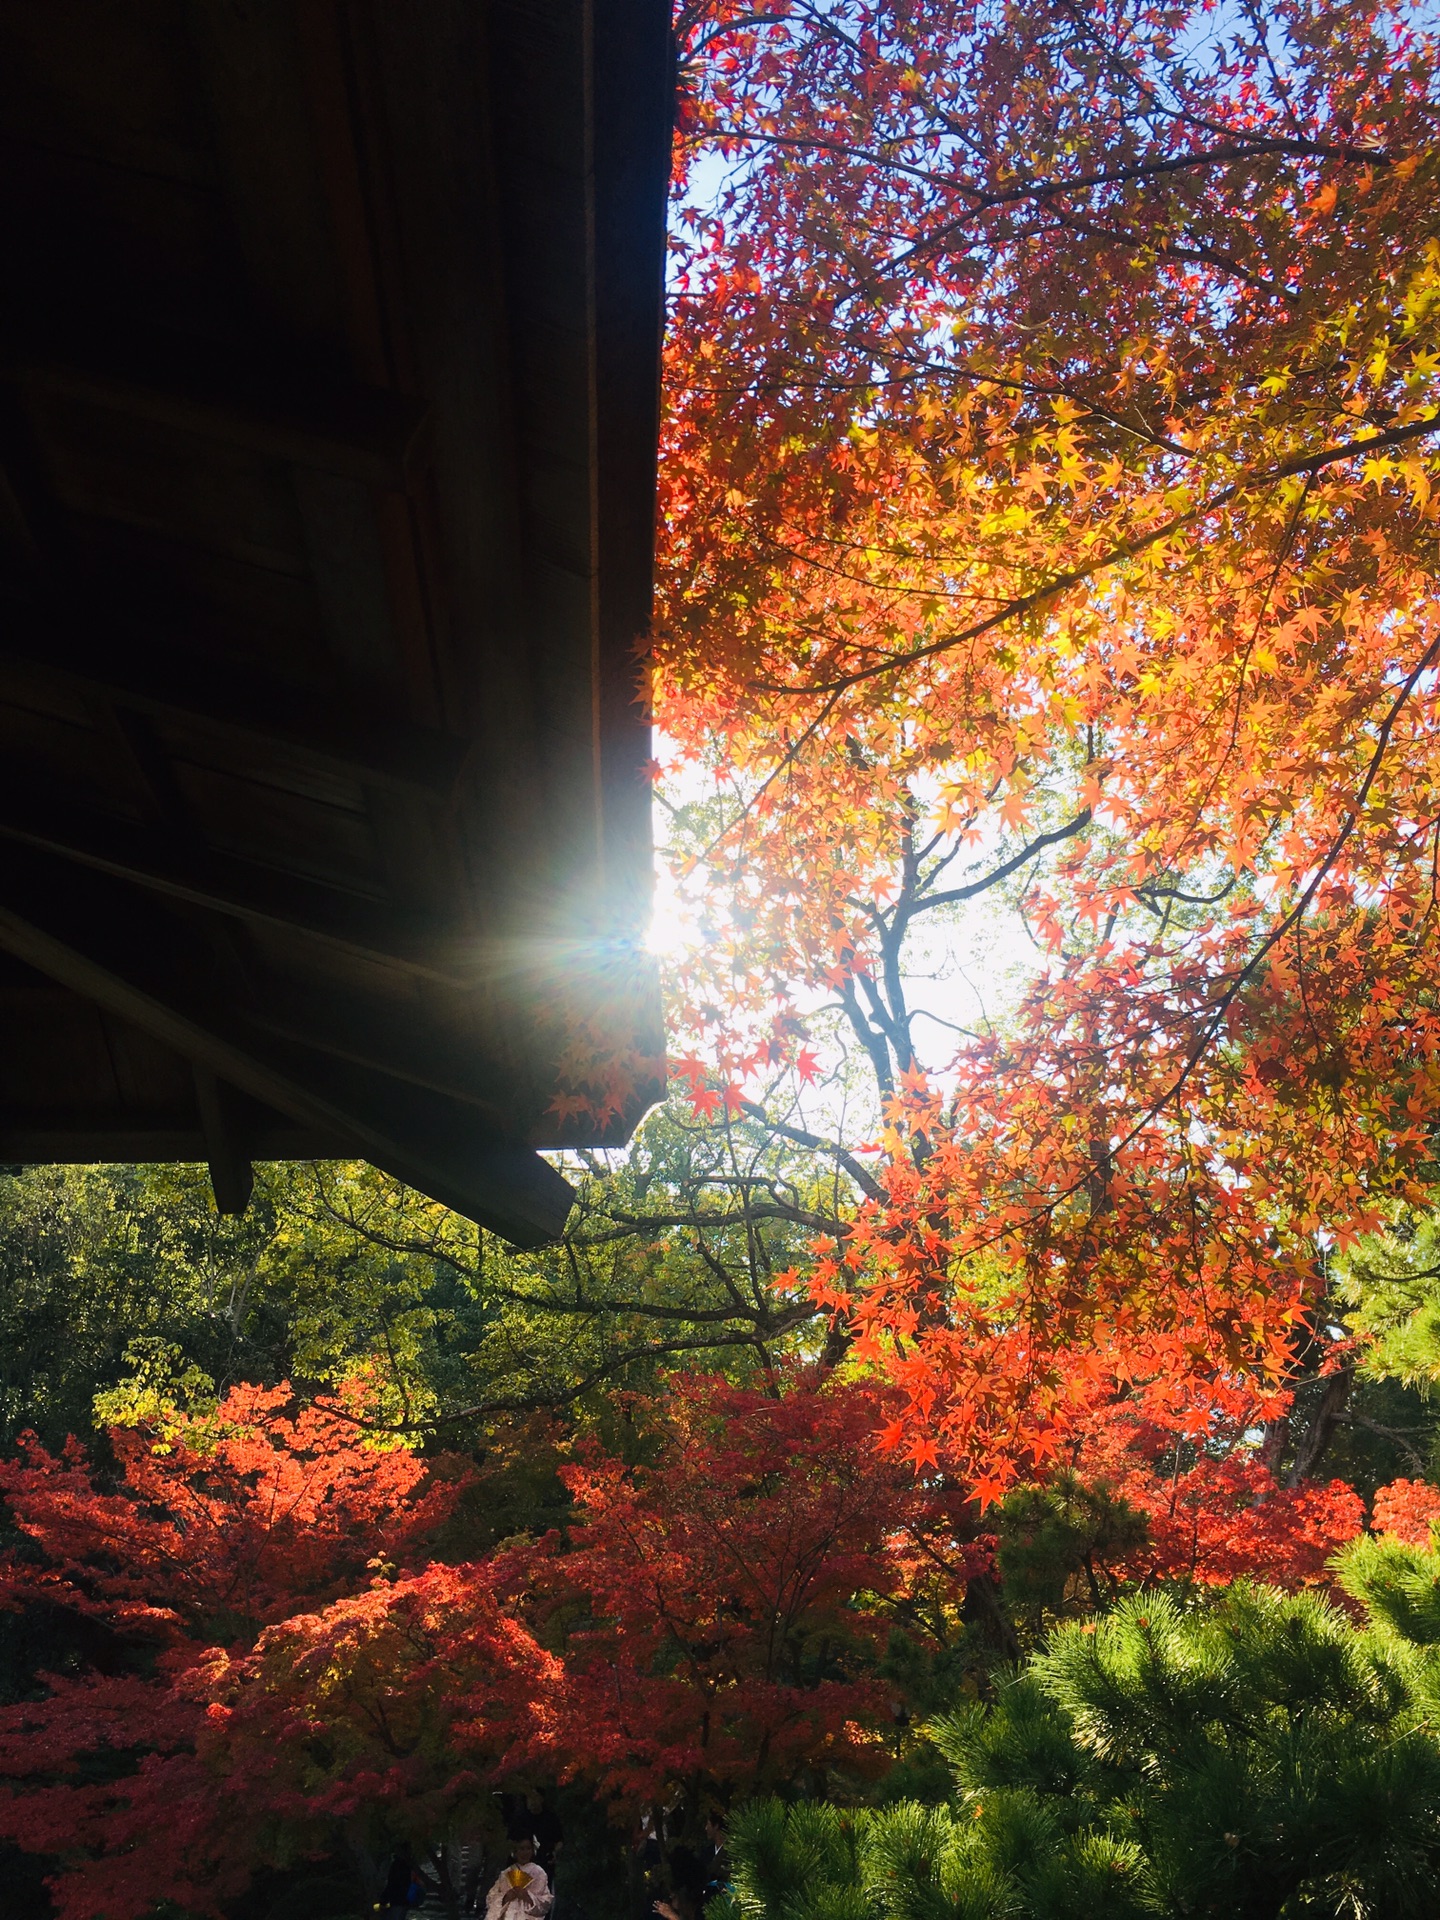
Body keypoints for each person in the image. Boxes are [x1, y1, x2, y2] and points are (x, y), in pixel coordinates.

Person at [483, 1836, 552, 1920]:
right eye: (521, 1849)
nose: (525, 1852)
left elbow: (545, 1901)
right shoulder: (506, 1873)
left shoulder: (538, 1873)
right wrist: (505, 1897)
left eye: (528, 1848)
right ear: (515, 1851)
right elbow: (491, 1896)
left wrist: (528, 1896)